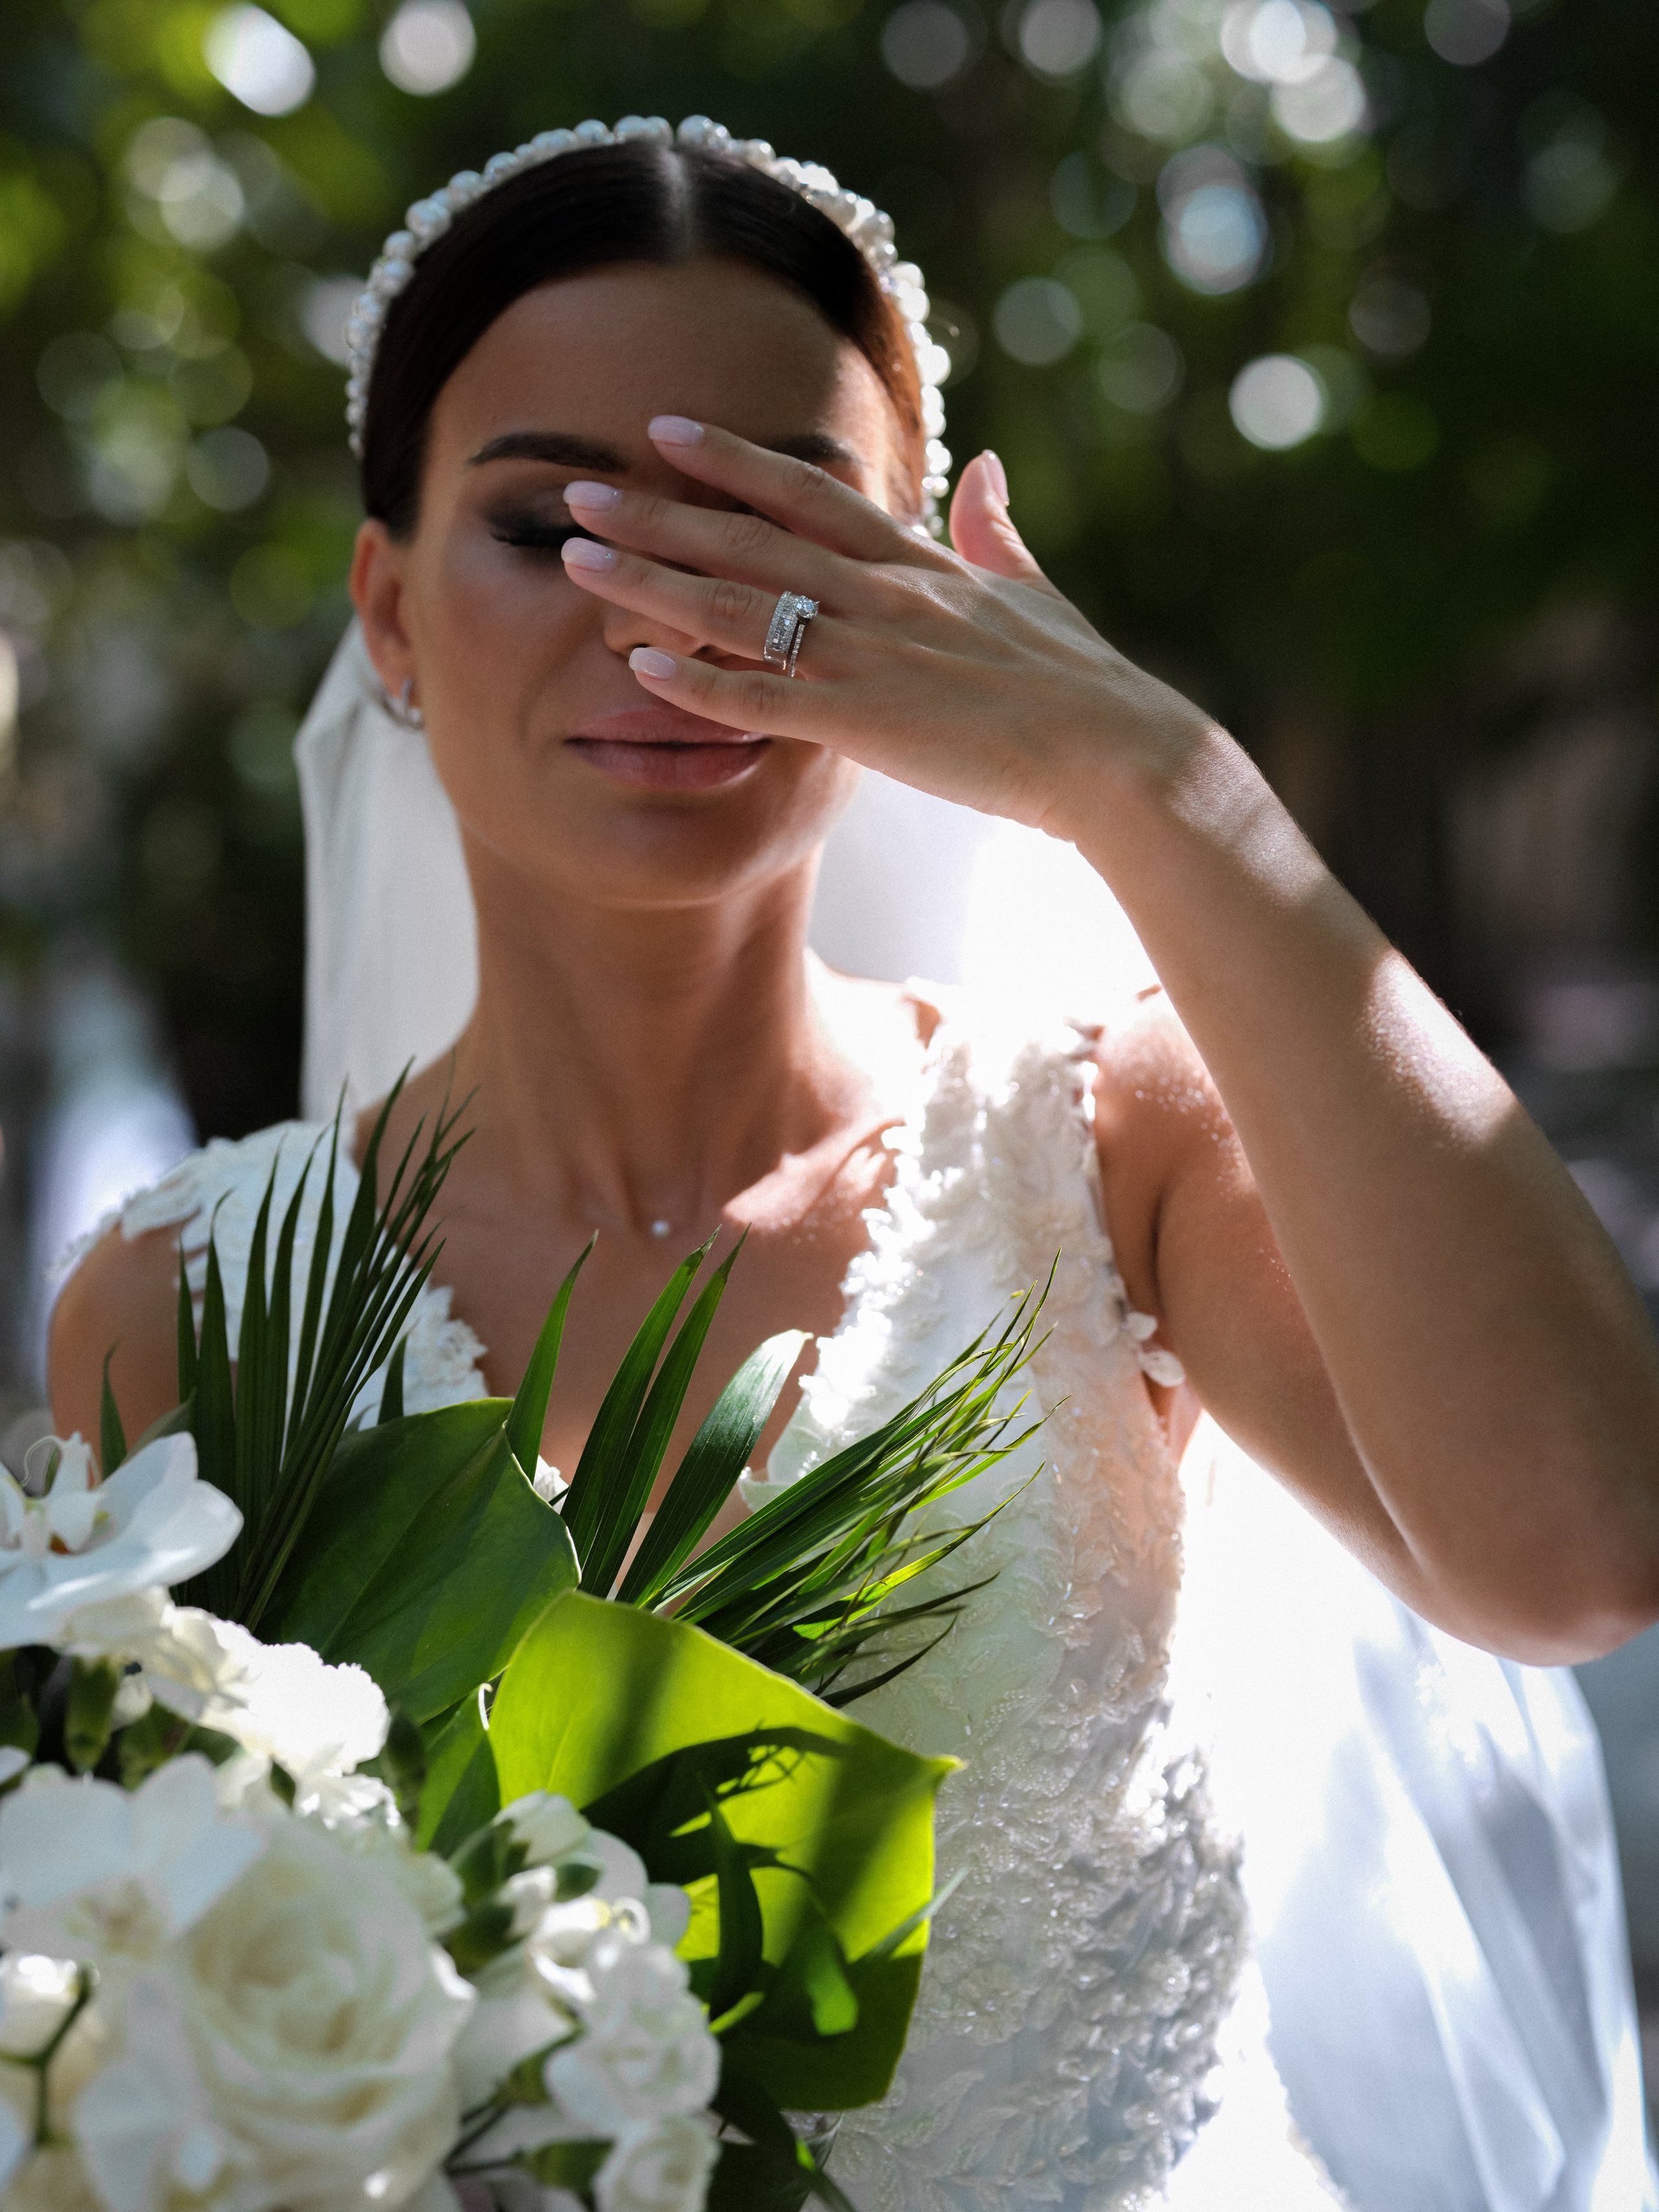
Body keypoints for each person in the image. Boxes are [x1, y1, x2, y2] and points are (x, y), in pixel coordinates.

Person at [48, 117, 1659, 2209]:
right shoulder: (187, 1303)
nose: (663, 620)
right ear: (388, 612)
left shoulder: (1105, 1150)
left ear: (919, 595)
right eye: (552, 526)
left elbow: (1582, 1548)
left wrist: (1159, 783)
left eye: (774, 528)